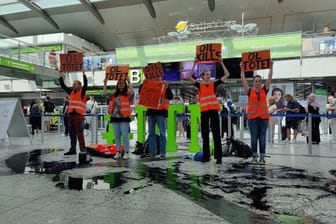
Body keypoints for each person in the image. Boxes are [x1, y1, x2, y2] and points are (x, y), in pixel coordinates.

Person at [189, 60, 230, 164]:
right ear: (202, 76)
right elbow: (189, 77)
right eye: (206, 74)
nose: (208, 76)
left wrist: (221, 62)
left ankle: (218, 157)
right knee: (205, 134)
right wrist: (194, 64)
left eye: (209, 74)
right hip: (204, 112)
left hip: (213, 111)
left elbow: (227, 74)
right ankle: (206, 156)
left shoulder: (214, 84)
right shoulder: (199, 85)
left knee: (216, 134)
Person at [240, 60, 273, 163]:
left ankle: (262, 157)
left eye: (259, 81)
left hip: (263, 119)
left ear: (261, 82)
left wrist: (271, 67)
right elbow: (243, 80)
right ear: (253, 82)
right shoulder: (249, 91)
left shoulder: (264, 90)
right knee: (254, 138)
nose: (258, 83)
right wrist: (242, 69)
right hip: (253, 119)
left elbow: (270, 79)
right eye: (256, 81)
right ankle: (254, 157)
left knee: (262, 138)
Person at [139, 76, 174, 159]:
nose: (157, 79)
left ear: (161, 78)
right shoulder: (149, 86)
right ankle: (152, 152)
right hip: (151, 112)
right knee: (151, 133)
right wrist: (142, 84)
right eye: (155, 77)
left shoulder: (164, 86)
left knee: (161, 133)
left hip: (161, 112)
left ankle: (162, 153)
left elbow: (170, 97)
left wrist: (167, 87)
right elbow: (141, 93)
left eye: (158, 77)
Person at [59, 70, 88, 158]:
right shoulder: (71, 92)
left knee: (79, 133)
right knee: (72, 133)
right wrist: (61, 76)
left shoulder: (82, 92)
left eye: (76, 84)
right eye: (73, 84)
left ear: (80, 86)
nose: (74, 85)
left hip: (78, 116)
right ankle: (73, 149)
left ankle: (83, 149)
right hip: (71, 115)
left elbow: (86, 85)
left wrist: (83, 74)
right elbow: (63, 86)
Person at [104, 78, 134, 159]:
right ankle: (118, 151)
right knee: (117, 136)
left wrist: (129, 81)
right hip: (114, 117)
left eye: (122, 84)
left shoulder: (128, 94)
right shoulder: (114, 94)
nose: (121, 85)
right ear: (117, 85)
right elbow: (105, 94)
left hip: (124, 117)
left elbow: (132, 92)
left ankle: (126, 152)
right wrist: (105, 84)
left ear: (125, 85)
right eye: (119, 84)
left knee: (125, 136)